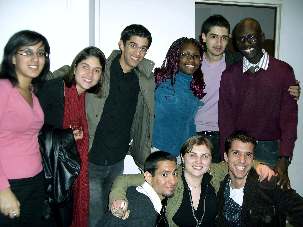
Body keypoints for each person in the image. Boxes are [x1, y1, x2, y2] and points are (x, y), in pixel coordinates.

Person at [195, 15, 300, 163]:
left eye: (224, 38)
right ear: (204, 37)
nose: (219, 43)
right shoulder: (193, 64)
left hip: (239, 141)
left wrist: (292, 88)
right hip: (198, 136)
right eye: (214, 36)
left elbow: (288, 115)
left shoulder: (233, 63)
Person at [109, 135, 274, 227]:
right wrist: (118, 198)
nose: (198, 162)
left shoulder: (214, 172)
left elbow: (238, 160)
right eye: (192, 155)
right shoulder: (170, 177)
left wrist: (258, 164)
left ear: (211, 160)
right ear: (182, 158)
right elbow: (124, 180)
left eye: (205, 156)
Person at [87, 24, 155, 227]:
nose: (138, 52)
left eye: (143, 48)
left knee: (113, 214)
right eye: (133, 45)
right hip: (92, 159)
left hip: (118, 160)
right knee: (95, 217)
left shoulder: (143, 80)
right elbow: (70, 73)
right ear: (121, 44)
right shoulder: (100, 70)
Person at [219, 18, 298, 187]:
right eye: (241, 39)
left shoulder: (283, 71)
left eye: (252, 37)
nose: (246, 43)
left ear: (262, 37)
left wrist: (284, 157)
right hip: (239, 150)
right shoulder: (230, 75)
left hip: (271, 150)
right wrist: (226, 155)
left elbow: (289, 119)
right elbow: (225, 120)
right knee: (239, 198)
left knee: (269, 202)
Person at [37, 46, 106, 227]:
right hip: (45, 178)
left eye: (96, 70)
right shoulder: (52, 90)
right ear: (74, 67)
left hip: (68, 174)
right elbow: (31, 132)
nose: (90, 74)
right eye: (85, 66)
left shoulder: (85, 97)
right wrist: (67, 137)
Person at [0, 30, 53, 226]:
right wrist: (2, 190)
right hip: (10, 184)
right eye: (27, 52)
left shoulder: (32, 91)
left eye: (41, 53)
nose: (35, 58)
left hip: (35, 180)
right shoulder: (3, 88)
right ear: (13, 57)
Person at [216, 130, 303, 226]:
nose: (242, 160)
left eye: (248, 154)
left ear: (253, 158)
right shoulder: (219, 186)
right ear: (226, 156)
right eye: (236, 153)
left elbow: (299, 209)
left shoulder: (267, 183)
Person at [153, 37, 205, 156]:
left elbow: (189, 123)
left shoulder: (195, 87)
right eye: (184, 54)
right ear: (175, 57)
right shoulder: (160, 82)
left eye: (196, 56)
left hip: (183, 152)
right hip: (158, 151)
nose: (191, 59)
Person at [98, 151, 178, 227]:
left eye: (175, 173)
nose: (173, 181)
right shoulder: (145, 213)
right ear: (149, 177)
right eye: (164, 174)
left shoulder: (134, 189)